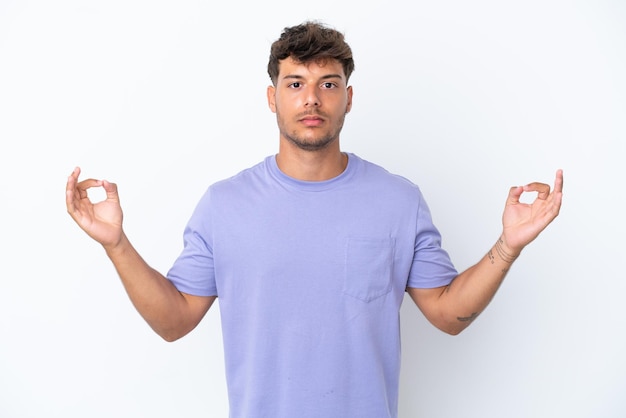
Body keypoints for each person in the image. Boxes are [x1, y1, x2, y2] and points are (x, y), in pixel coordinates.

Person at [66, 21, 563, 418]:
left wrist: (508, 245)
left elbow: (447, 314)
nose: (312, 99)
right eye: (295, 83)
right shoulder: (225, 205)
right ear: (272, 98)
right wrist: (116, 243)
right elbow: (174, 322)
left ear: (348, 97)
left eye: (329, 84)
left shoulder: (398, 200)